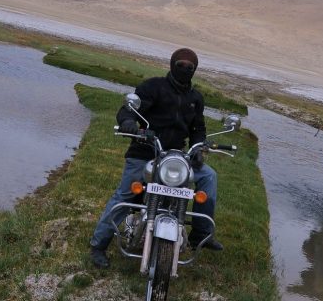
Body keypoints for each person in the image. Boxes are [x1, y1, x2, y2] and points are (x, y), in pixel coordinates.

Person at [89, 48, 223, 269]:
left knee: (209, 176)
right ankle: (98, 244)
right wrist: (128, 122)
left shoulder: (195, 98)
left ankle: (201, 233)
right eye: (180, 65)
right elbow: (129, 110)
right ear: (172, 65)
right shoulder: (153, 87)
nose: (185, 69)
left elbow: (198, 128)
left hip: (177, 157)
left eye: (190, 67)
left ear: (194, 70)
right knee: (125, 194)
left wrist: (198, 147)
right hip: (145, 152)